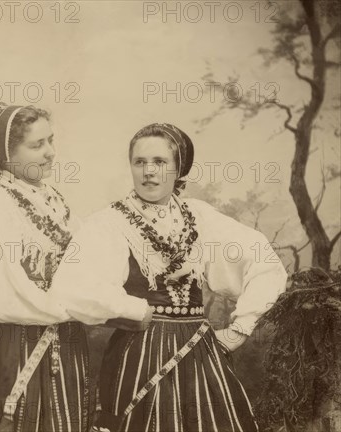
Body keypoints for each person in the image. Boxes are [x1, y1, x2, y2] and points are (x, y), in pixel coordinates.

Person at [51, 123, 288, 432]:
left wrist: (239, 329)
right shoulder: (109, 222)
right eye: (140, 162)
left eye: (160, 162)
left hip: (200, 352)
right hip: (137, 355)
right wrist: (129, 310)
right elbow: (71, 286)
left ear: (178, 168)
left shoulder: (200, 217)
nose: (149, 171)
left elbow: (264, 261)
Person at [0, 103, 94, 432]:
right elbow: (0, 299)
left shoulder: (52, 198)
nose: (51, 153)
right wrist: (76, 307)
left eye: (51, 141)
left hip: (63, 339)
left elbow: (85, 258)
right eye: (37, 145)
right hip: (10, 343)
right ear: (6, 153)